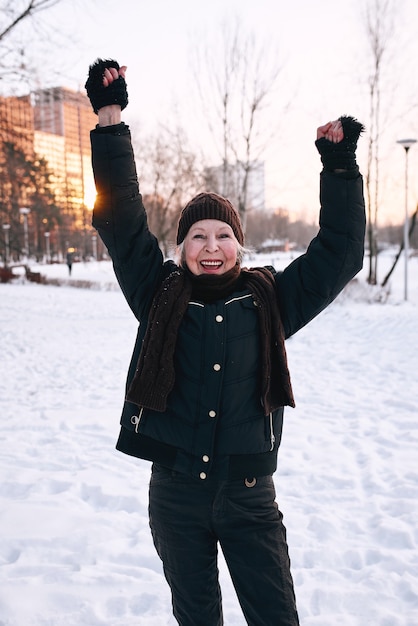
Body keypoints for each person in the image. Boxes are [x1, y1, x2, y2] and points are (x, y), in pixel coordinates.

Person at [85, 58, 366, 626]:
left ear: (238, 245)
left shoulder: (270, 302)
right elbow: (122, 220)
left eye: (222, 236)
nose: (210, 246)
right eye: (197, 235)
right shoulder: (157, 292)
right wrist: (110, 118)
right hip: (176, 496)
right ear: (182, 245)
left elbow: (339, 253)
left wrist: (339, 170)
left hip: (248, 498)